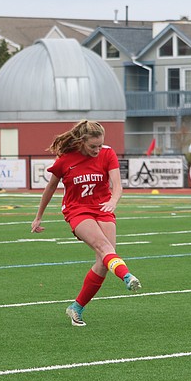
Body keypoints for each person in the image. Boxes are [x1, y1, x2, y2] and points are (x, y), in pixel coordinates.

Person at [31, 119, 141, 326]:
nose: (97, 150)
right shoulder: (65, 159)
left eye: (100, 145)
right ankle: (127, 276)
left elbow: (117, 186)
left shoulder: (107, 153)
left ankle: (76, 308)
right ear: (81, 141)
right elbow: (50, 189)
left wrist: (113, 200)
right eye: (93, 146)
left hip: (103, 208)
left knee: (104, 260)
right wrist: (38, 216)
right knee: (103, 247)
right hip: (77, 210)